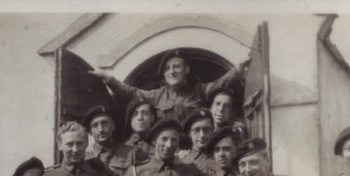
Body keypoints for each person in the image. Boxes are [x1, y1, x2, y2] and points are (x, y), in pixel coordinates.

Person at [90, 48, 247, 123]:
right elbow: (130, 92)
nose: (171, 72)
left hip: (194, 148)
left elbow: (222, 83)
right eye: (167, 69)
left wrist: (238, 70)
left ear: (186, 69)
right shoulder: (157, 95)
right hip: (167, 146)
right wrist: (107, 78)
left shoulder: (201, 90)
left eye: (176, 67)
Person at [84, 105, 135, 176]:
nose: (101, 129)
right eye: (95, 125)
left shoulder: (132, 153)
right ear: (90, 132)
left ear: (113, 126)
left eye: (104, 123)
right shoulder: (85, 157)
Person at [176, 108, 217, 176]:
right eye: (197, 130)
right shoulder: (182, 160)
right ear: (189, 133)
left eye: (206, 129)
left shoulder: (220, 158)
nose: (202, 135)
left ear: (213, 130)